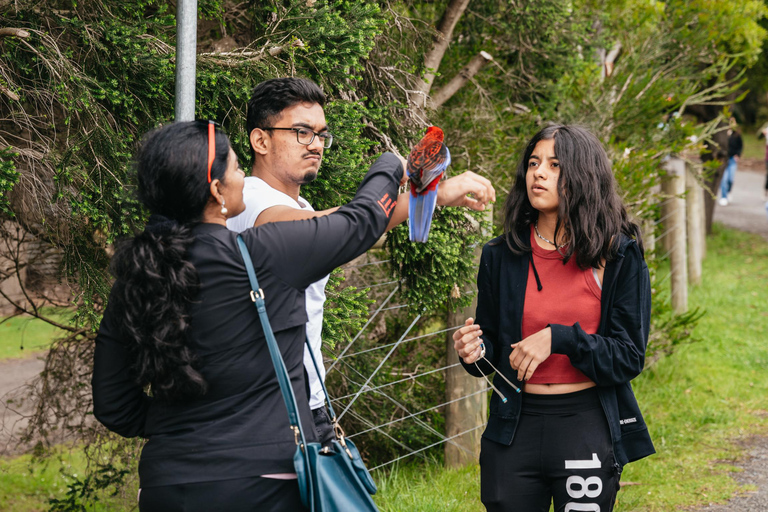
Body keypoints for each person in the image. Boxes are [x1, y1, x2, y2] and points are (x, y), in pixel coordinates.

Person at [91, 120, 406, 511]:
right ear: (216, 190)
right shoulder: (266, 253)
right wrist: (392, 163)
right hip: (262, 483)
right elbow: (361, 220)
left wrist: (176, 428)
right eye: (238, 169)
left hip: (166, 483)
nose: (244, 178)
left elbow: (112, 403)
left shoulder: (137, 277)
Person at [227, 77, 496, 445]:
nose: (317, 145)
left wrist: (432, 198)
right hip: (274, 413)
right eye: (302, 132)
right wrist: (405, 174)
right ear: (261, 140)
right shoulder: (252, 200)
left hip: (307, 402)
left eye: (322, 134)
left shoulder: (298, 206)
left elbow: (354, 228)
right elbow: (345, 227)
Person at [452, 125, 655, 512]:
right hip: (514, 426)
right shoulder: (502, 255)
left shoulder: (617, 256)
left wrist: (559, 338)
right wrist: (474, 352)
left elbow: (628, 356)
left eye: (554, 164)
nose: (538, 173)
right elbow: (491, 352)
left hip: (584, 426)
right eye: (533, 163)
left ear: (582, 175)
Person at [719, 117, 743, 206]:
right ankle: (723, 197)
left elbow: (740, 146)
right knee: (724, 179)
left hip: (732, 159)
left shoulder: (737, 135)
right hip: (724, 159)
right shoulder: (722, 134)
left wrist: (738, 155)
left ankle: (728, 192)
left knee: (730, 179)